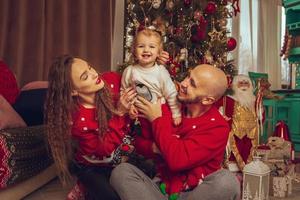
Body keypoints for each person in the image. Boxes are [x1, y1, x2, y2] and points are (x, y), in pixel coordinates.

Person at [110, 64, 241, 200]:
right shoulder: (173, 107)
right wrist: (155, 147)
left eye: (192, 84)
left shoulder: (217, 127)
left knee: (227, 181)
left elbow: (177, 160)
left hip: (195, 193)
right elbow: (140, 144)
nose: (183, 83)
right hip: (161, 189)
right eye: (188, 76)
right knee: (121, 172)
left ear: (207, 100)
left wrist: (156, 120)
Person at [44, 55, 138, 200]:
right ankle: (84, 185)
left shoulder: (111, 80)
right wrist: (120, 113)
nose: (95, 74)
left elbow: (137, 76)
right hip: (95, 167)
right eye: (85, 76)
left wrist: (154, 63)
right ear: (73, 91)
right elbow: (105, 149)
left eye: (90, 67)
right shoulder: (77, 120)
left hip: (123, 155)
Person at [121, 27, 181, 125]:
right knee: (141, 138)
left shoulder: (161, 72)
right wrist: (129, 107)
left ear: (159, 53)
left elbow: (171, 93)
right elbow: (124, 91)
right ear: (134, 51)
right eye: (141, 46)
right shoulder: (129, 71)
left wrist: (176, 114)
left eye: (152, 47)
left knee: (161, 133)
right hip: (139, 113)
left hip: (160, 111)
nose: (146, 50)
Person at [217, 74, 260, 171]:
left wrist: (260, 111)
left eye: (246, 83)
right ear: (235, 85)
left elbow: (259, 117)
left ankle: (248, 167)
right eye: (241, 83)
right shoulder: (228, 99)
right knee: (234, 151)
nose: (244, 85)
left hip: (250, 134)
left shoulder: (253, 100)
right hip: (234, 133)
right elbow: (219, 111)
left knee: (248, 150)